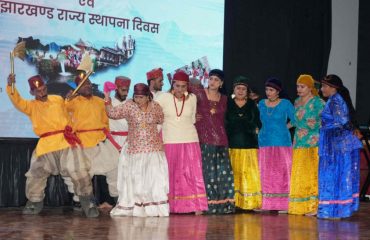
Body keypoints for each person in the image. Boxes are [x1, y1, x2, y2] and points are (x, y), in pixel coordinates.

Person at [6, 74, 98, 217]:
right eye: (38, 91)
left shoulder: (57, 99)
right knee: (36, 172)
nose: (42, 92)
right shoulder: (30, 106)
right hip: (46, 145)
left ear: (46, 87)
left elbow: (68, 107)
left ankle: (88, 201)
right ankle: (34, 202)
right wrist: (10, 86)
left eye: (43, 89)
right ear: (32, 93)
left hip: (65, 141)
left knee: (78, 169)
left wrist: (69, 99)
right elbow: (17, 101)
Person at [105, 83, 169, 217]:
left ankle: (154, 208)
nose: (138, 100)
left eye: (141, 97)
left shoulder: (156, 107)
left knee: (154, 179)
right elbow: (112, 114)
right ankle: (136, 207)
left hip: (154, 148)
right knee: (136, 178)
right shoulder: (129, 105)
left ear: (148, 97)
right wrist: (107, 97)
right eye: (136, 97)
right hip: (135, 149)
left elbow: (161, 119)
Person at [155, 71, 208, 214]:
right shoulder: (162, 98)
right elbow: (155, 118)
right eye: (177, 86)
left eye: (183, 86)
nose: (180, 89)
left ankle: (196, 205)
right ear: (172, 84)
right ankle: (171, 206)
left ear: (187, 86)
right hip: (170, 140)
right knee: (171, 174)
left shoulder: (192, 98)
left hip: (190, 139)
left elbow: (192, 119)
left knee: (192, 174)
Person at [65, 73, 119, 206]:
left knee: (114, 169)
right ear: (77, 88)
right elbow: (64, 110)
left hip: (100, 142)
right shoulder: (72, 102)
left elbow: (107, 121)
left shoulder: (100, 101)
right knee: (81, 174)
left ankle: (118, 199)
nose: (87, 86)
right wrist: (67, 100)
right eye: (83, 84)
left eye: (88, 83)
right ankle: (81, 201)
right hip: (82, 144)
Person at [318, 74, 362, 219]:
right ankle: (338, 209)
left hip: (338, 147)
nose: (322, 89)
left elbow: (342, 122)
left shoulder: (335, 101)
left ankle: (336, 210)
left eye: (324, 86)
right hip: (336, 145)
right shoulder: (332, 100)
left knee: (335, 175)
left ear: (333, 88)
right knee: (337, 175)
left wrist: (324, 125)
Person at [194, 69, 235, 214]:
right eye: (211, 78)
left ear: (221, 83)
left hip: (221, 139)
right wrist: (194, 117)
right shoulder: (198, 93)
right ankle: (206, 204)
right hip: (204, 139)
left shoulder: (224, 99)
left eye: (216, 80)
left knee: (223, 173)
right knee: (207, 172)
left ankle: (223, 204)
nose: (212, 82)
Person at [288, 74, 325, 215]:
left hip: (313, 142)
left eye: (302, 86)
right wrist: (283, 127)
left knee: (312, 174)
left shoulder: (318, 102)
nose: (299, 89)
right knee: (299, 173)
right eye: (298, 86)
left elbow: (326, 120)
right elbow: (295, 122)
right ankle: (300, 206)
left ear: (310, 88)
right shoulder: (297, 102)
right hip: (298, 142)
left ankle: (313, 206)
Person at [258, 78, 295, 212]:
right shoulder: (261, 103)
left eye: (271, 90)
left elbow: (295, 119)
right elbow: (255, 119)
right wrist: (257, 130)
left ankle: (283, 204)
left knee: (281, 173)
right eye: (267, 89)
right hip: (264, 142)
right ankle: (266, 203)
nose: (268, 92)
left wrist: (284, 127)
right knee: (265, 172)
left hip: (282, 143)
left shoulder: (285, 103)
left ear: (278, 91)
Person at [225, 76, 262, 210]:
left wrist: (254, 128)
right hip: (232, 145)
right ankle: (234, 202)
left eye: (243, 89)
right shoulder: (227, 103)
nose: (240, 91)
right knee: (234, 173)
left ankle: (249, 203)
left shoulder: (252, 104)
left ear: (247, 91)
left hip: (249, 145)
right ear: (233, 89)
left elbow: (258, 123)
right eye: (238, 88)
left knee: (248, 173)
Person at [109, 76, 131, 149]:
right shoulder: (108, 103)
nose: (126, 93)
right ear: (116, 89)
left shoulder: (131, 103)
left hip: (129, 142)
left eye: (127, 90)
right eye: (123, 90)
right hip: (112, 141)